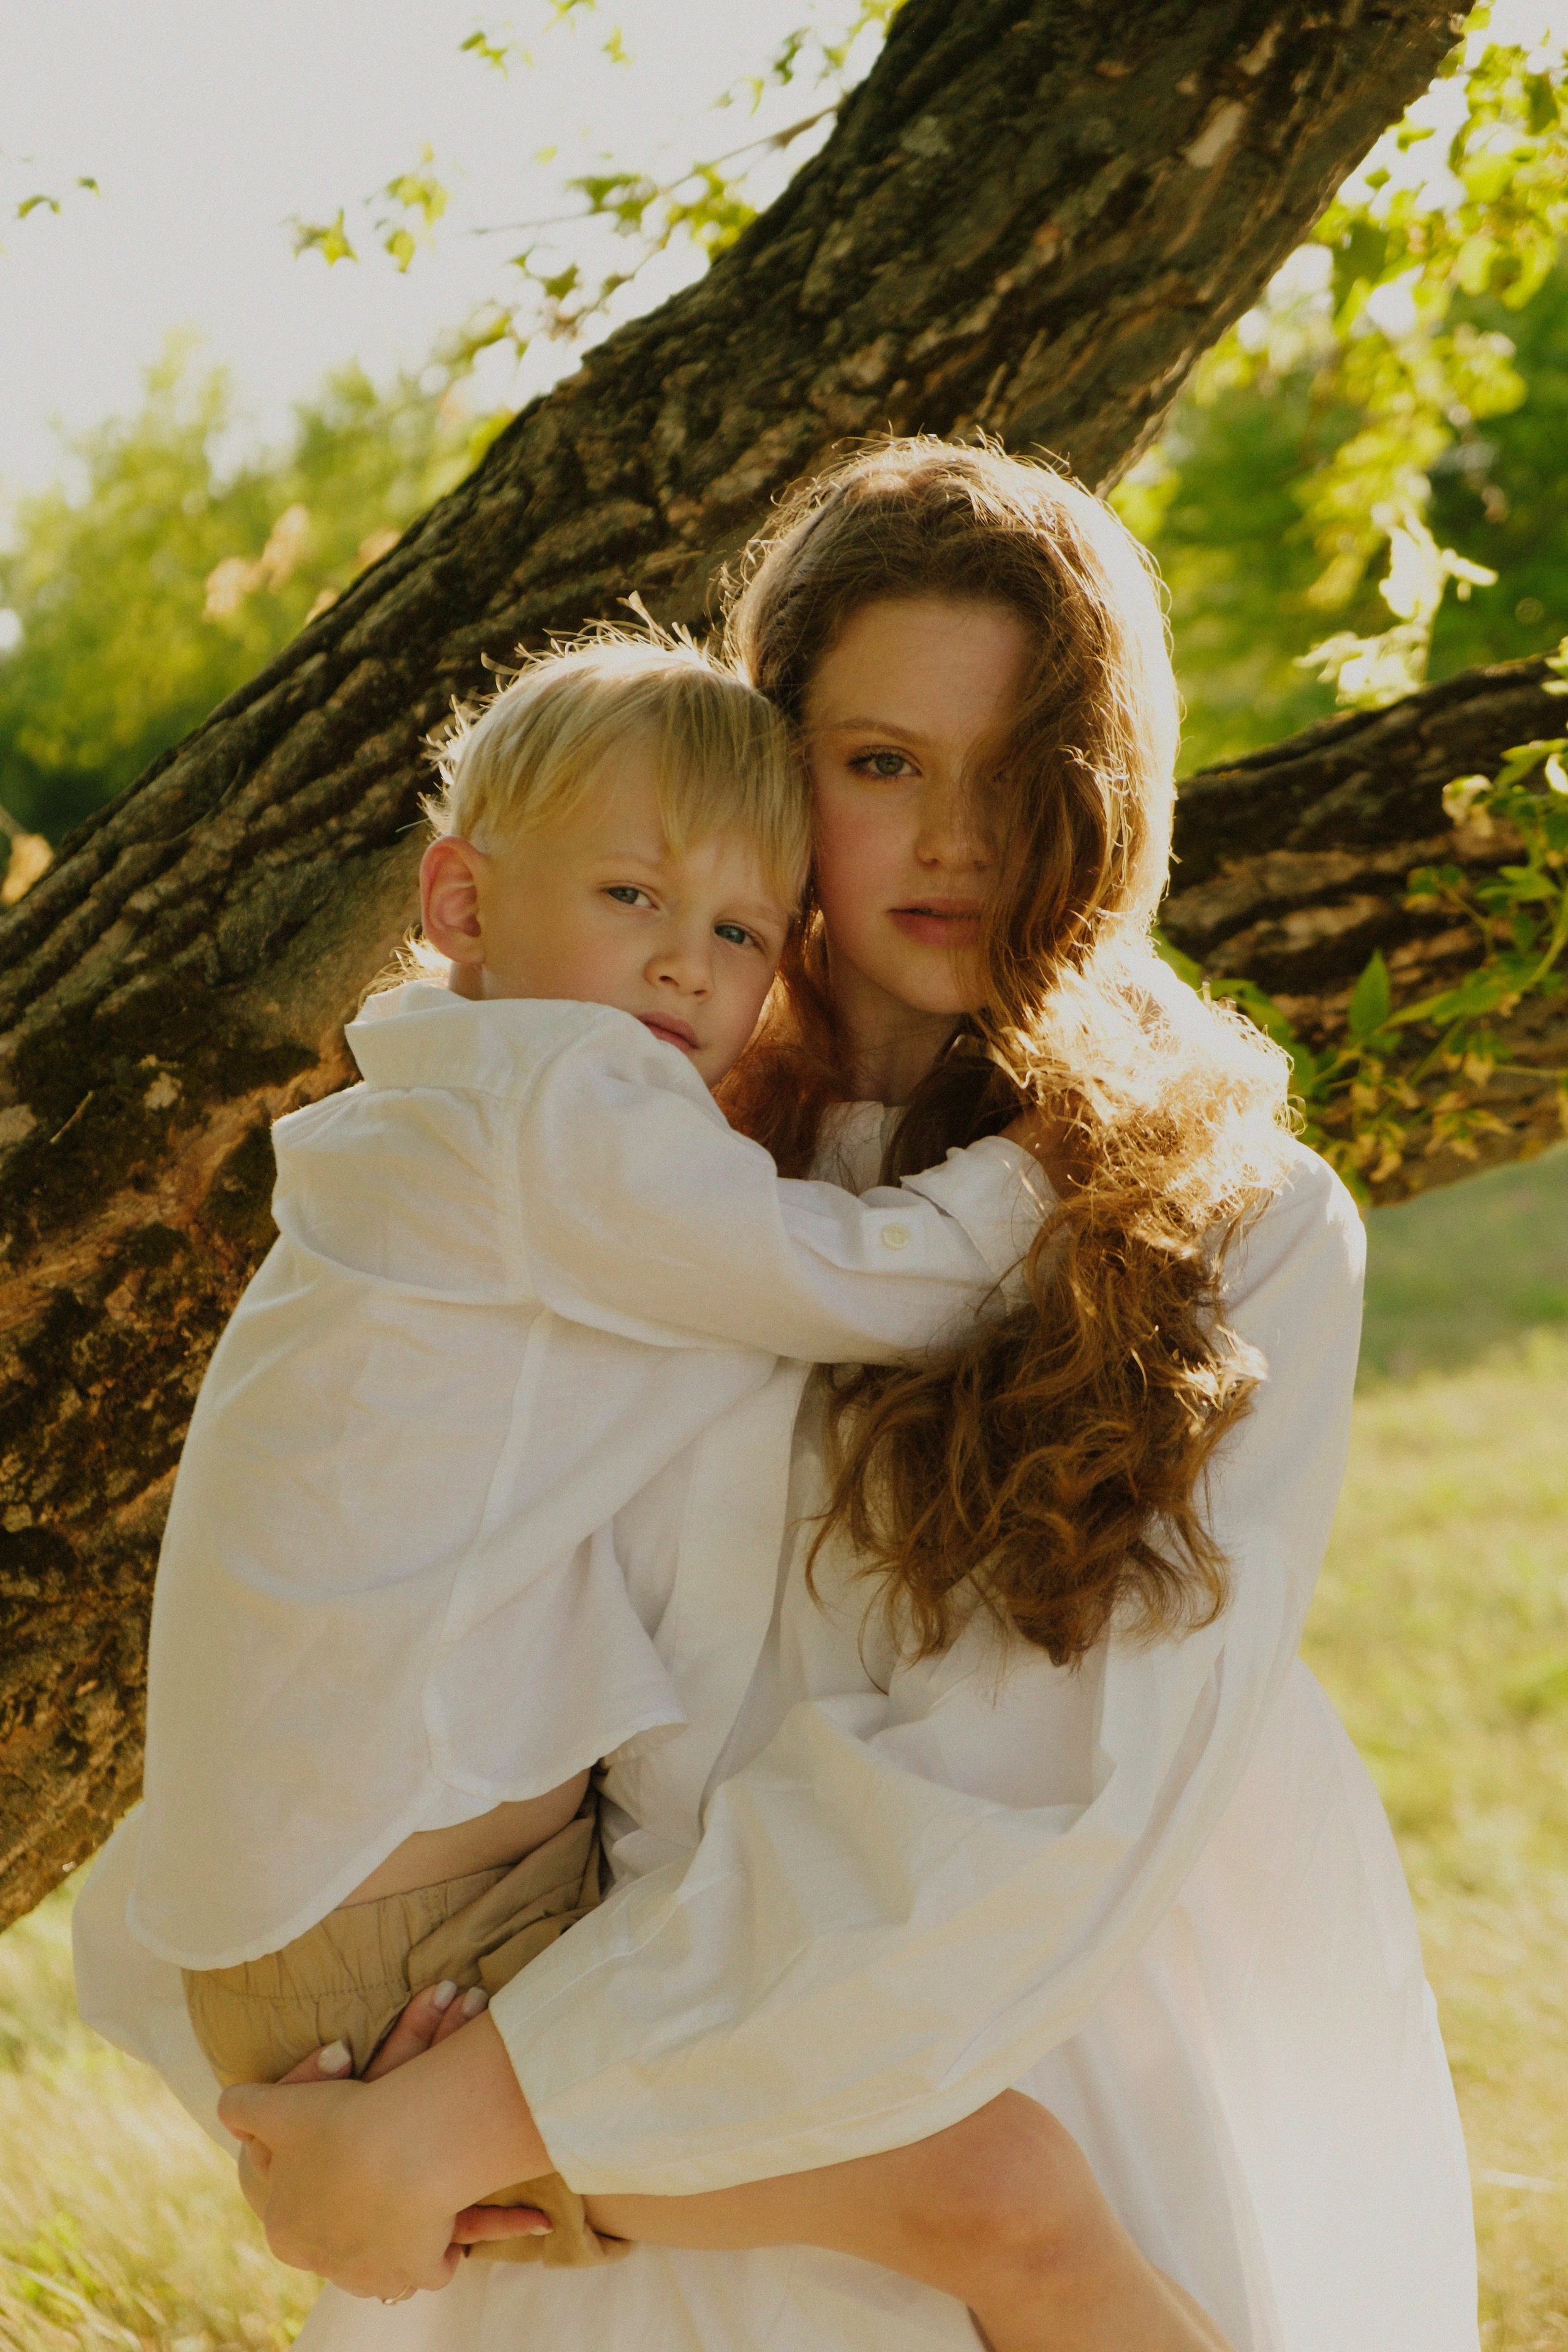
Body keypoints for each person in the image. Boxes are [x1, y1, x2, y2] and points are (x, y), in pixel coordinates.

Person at [77, 440, 1480, 2352]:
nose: (956, 839)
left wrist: (485, 2113)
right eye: (884, 764)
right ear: (769, 766)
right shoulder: (615, 1172)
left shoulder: (1224, 1228)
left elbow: (1017, 1811)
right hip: (573, 2108)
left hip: (981, 2062)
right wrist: (353, 2104)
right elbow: (333, 1608)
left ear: (1118, 800)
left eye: (1021, 774)